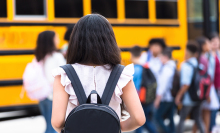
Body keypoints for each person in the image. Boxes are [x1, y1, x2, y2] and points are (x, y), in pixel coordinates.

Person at [51, 14, 146, 133]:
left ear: (75, 41)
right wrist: (115, 126)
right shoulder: (121, 75)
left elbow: (57, 122)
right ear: (109, 40)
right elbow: (139, 119)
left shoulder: (64, 75)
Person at [35, 31, 66, 133]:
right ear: (51, 40)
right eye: (56, 37)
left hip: (42, 96)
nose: (58, 40)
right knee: (53, 129)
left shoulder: (39, 57)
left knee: (49, 126)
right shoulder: (56, 57)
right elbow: (65, 75)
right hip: (53, 96)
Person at [175, 41, 205, 133]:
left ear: (187, 52)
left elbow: (186, 84)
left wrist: (178, 96)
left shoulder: (186, 65)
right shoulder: (196, 63)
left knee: (182, 120)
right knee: (198, 119)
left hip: (189, 98)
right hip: (198, 95)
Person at [138, 38, 166, 133]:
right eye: (153, 45)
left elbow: (162, 81)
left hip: (154, 94)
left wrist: (158, 97)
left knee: (148, 119)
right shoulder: (145, 57)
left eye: (158, 46)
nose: (155, 48)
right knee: (143, 119)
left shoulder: (161, 60)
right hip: (144, 93)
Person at [154, 48, 176, 133]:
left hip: (166, 98)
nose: (159, 60)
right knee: (170, 118)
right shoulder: (173, 66)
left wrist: (157, 99)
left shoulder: (167, 69)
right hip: (172, 97)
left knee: (157, 117)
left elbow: (162, 85)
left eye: (160, 57)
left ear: (165, 57)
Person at [130, 46, 144, 133]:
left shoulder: (134, 69)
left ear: (131, 54)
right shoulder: (144, 66)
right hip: (145, 96)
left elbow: (134, 86)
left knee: (139, 122)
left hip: (138, 97)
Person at [209, 33, 220, 131]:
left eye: (217, 41)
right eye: (213, 41)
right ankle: (211, 127)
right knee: (214, 108)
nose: (215, 43)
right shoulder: (208, 55)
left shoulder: (218, 54)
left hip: (218, 85)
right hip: (212, 86)